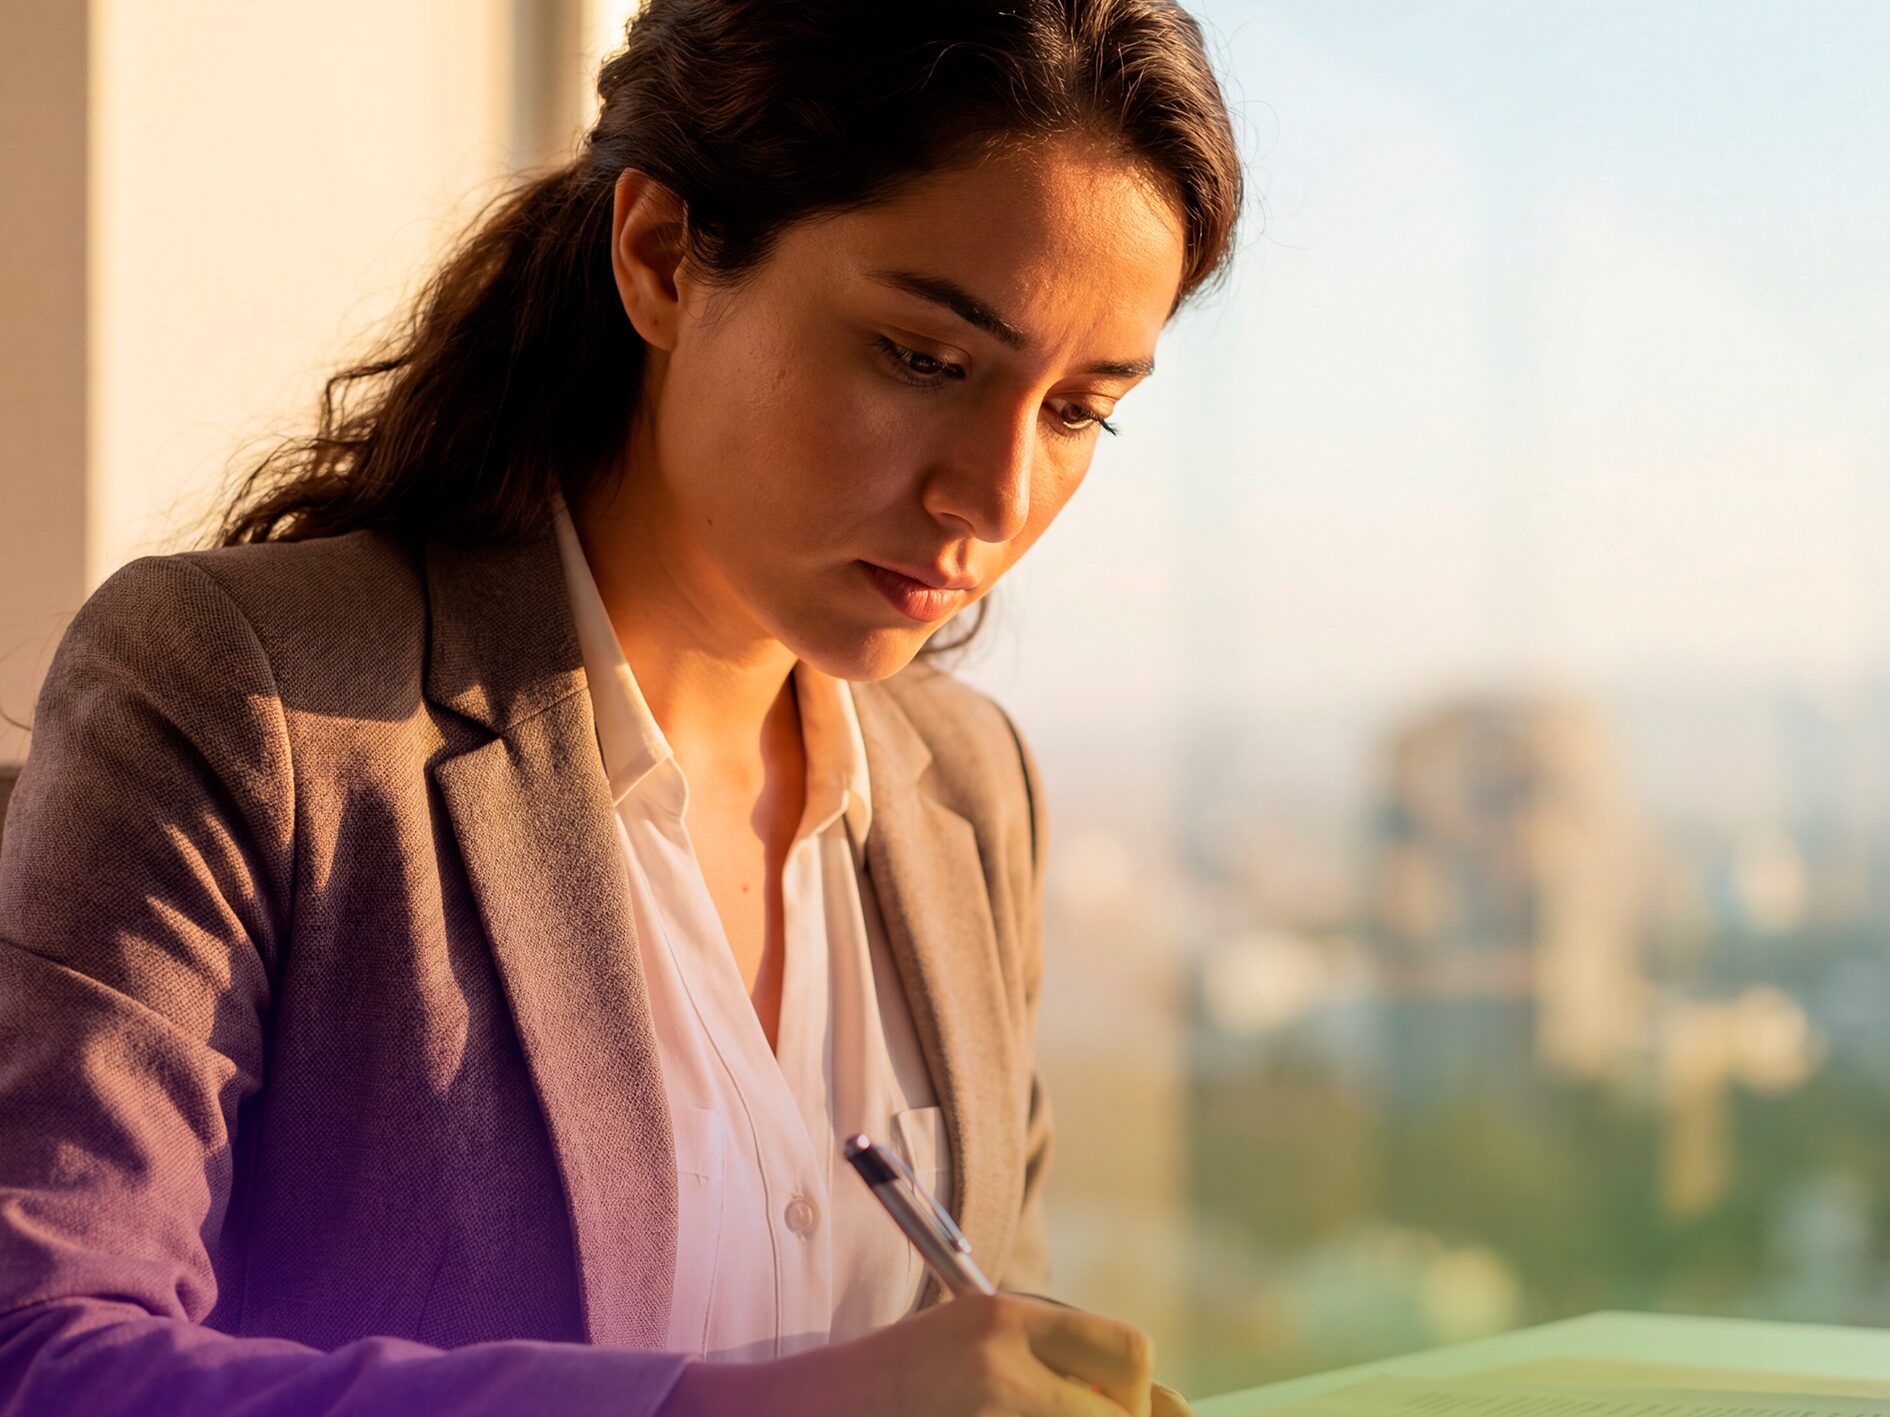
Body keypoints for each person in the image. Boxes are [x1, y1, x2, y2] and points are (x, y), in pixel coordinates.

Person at [0, 1, 1241, 1412]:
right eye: (922, 358)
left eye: (1078, 407)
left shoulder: (968, 789)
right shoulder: (252, 700)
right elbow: (41, 1360)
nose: (995, 499)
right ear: (658, 255)